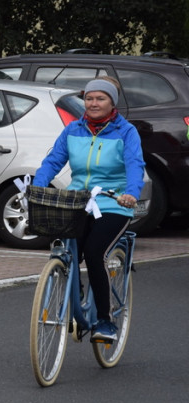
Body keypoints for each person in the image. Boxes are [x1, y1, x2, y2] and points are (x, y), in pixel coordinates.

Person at [32, 77, 145, 342]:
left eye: (101, 98)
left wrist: (131, 193)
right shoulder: (73, 130)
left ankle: (105, 321)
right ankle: (76, 298)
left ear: (112, 102)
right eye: (90, 98)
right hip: (77, 200)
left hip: (114, 202)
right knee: (69, 249)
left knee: (94, 253)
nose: (94, 103)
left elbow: (135, 165)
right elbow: (52, 161)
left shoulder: (126, 131)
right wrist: (38, 187)